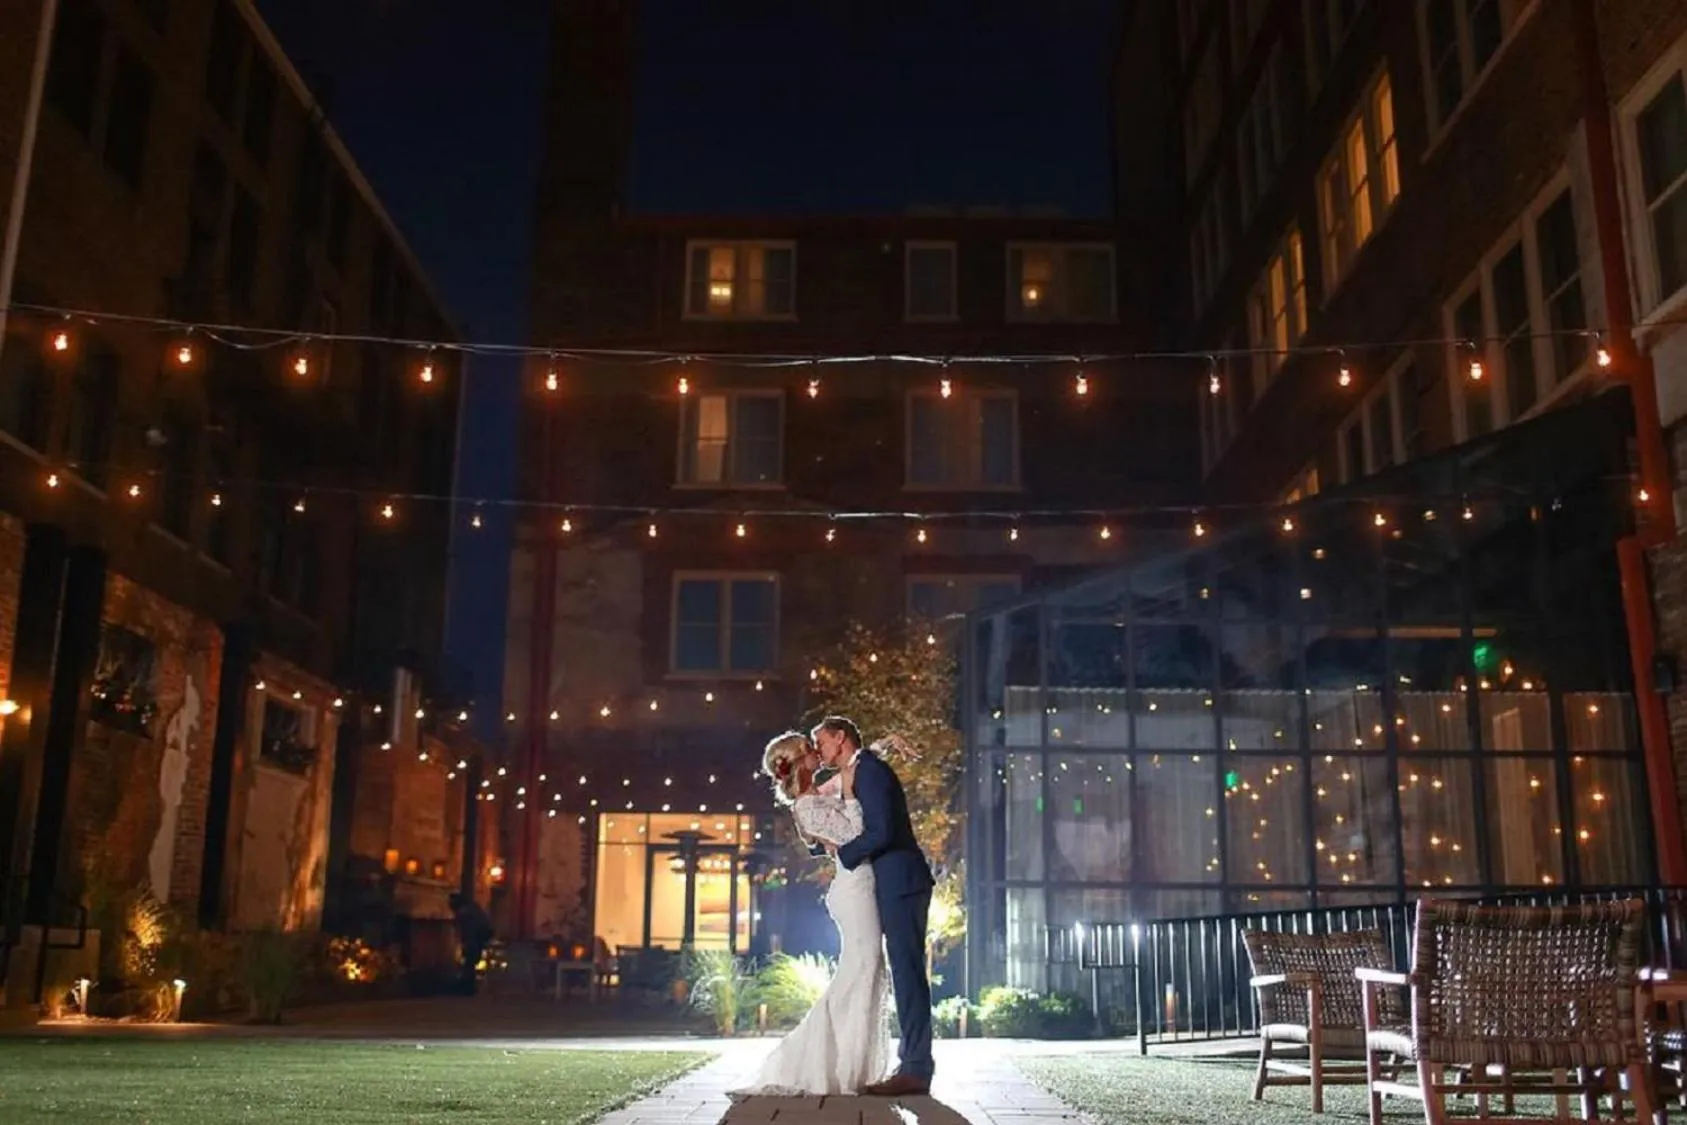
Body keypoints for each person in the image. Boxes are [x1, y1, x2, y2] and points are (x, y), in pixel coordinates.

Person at [730, 731, 891, 1098]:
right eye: (810, 749)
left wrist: (880, 747)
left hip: (858, 886)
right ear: (800, 762)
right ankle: (830, 1065)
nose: (818, 752)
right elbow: (855, 832)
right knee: (862, 970)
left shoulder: (816, 796)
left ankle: (851, 1063)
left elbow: (851, 768)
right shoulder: (806, 807)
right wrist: (850, 793)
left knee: (867, 970)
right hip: (853, 889)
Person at [812, 716, 935, 1097]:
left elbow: (881, 831)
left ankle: (915, 1068)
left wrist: (846, 853)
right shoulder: (858, 770)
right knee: (903, 971)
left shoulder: (871, 771)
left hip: (902, 883)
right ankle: (913, 1063)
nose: (818, 750)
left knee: (908, 971)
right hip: (890, 885)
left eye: (821, 742)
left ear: (840, 738)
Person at [449, 892, 493, 996]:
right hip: (481, 936)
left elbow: (469, 931)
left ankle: (467, 987)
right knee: (471, 962)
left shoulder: (465, 913)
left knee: (469, 962)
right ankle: (468, 986)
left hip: (476, 938)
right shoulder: (472, 908)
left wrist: (467, 944)